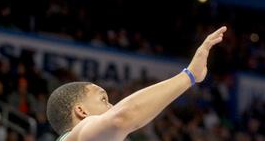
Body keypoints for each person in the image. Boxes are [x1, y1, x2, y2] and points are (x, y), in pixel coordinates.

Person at [45, 26, 227, 141]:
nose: (112, 106)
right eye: (103, 100)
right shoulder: (80, 133)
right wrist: (189, 76)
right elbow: (122, 117)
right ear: (81, 111)